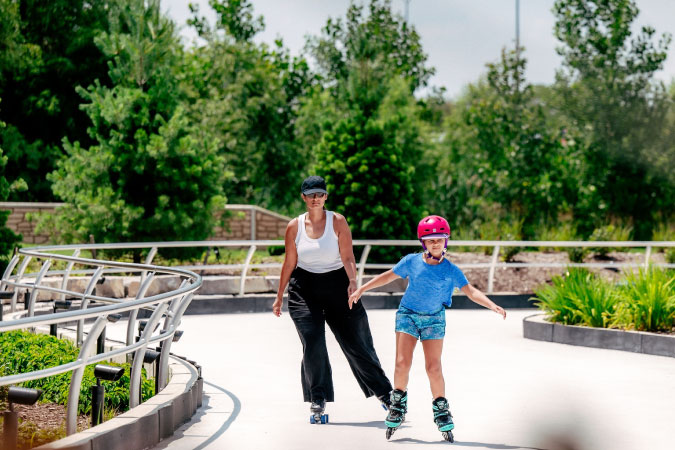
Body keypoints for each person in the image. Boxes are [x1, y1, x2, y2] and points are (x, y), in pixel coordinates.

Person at [348, 215, 506, 441]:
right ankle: (398, 404)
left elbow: (470, 291)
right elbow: (388, 276)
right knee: (402, 363)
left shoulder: (451, 270)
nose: (435, 244)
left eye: (439, 240)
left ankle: (441, 410)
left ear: (446, 241)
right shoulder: (412, 261)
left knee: (433, 367)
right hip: (408, 315)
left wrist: (492, 305)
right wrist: (362, 289)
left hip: (434, 319)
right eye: (430, 240)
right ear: (423, 242)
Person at [272, 175, 392, 422]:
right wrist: (279, 296)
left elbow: (348, 256)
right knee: (313, 342)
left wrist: (352, 282)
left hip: (339, 285)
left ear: (326, 196)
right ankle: (318, 398)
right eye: (310, 195)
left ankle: (385, 394)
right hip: (304, 289)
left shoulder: (337, 221)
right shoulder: (294, 226)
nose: (315, 199)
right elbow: (289, 263)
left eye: (320, 194)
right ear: (303, 197)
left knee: (357, 341)